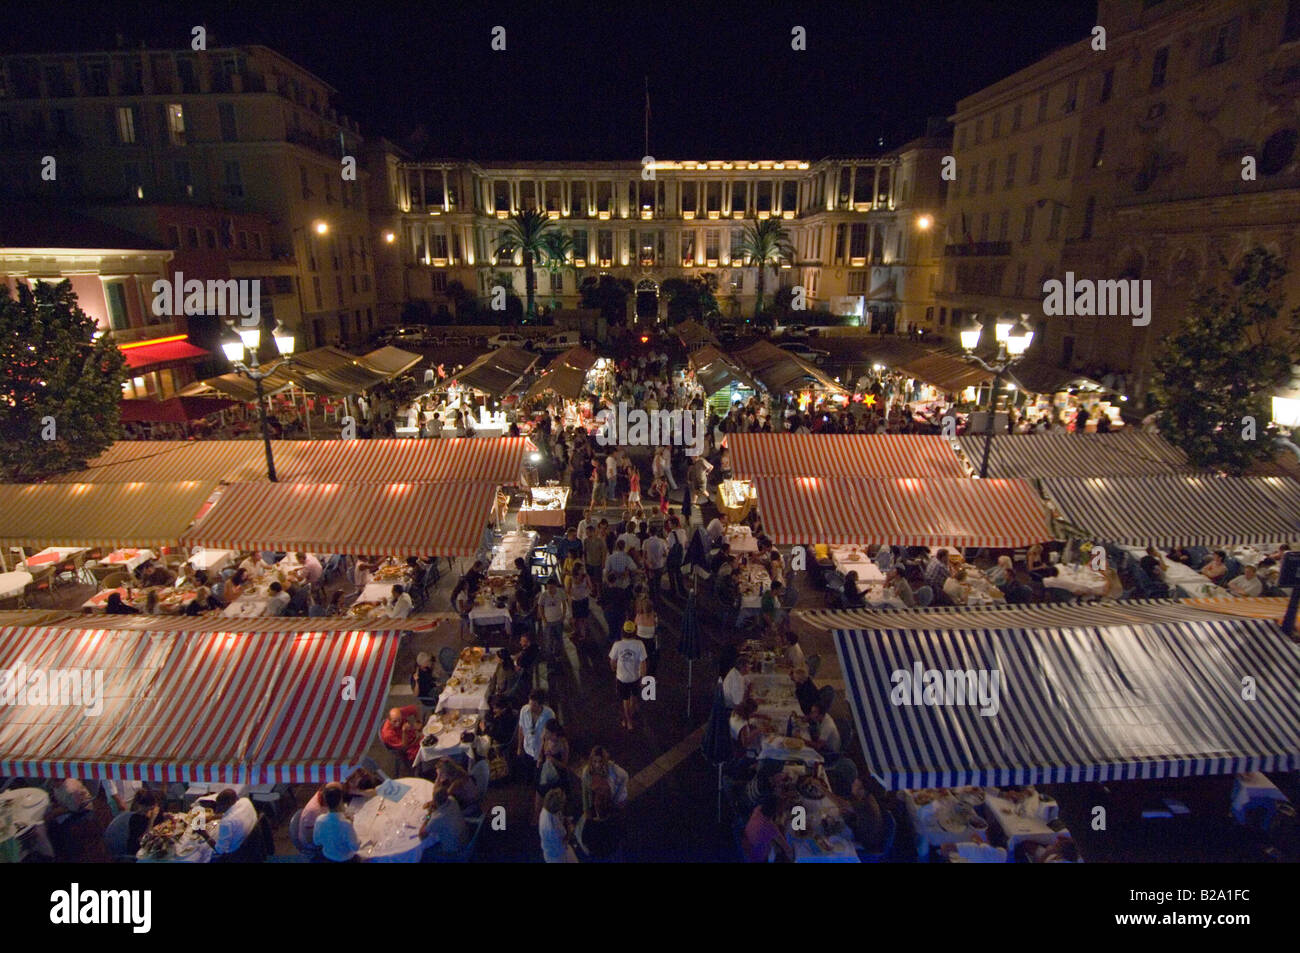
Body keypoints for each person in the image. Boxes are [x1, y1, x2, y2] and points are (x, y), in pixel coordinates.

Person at [610, 621, 649, 731]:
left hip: (622, 678)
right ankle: (630, 717)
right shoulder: (639, 644)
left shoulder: (617, 645)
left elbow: (612, 661)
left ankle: (628, 721)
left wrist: (614, 669)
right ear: (634, 632)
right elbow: (643, 663)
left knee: (625, 700)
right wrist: (643, 678)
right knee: (634, 698)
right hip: (635, 678)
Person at [196, 789, 258, 858]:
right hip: (251, 839)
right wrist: (212, 817)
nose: (218, 808)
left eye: (220, 805)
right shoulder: (245, 801)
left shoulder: (226, 822)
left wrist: (204, 834)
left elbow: (219, 850)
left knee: (201, 852)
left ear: (228, 802)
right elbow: (234, 814)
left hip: (235, 853)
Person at [312, 784, 361, 862]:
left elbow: (316, 842)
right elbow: (356, 847)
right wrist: (351, 825)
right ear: (340, 801)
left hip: (327, 857)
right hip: (346, 859)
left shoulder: (319, 820)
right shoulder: (346, 824)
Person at [418, 789, 469, 859]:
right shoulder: (452, 800)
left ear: (435, 801)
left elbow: (421, 835)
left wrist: (428, 815)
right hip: (464, 835)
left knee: (423, 851)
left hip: (453, 848)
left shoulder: (437, 818)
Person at [516, 689, 556, 775]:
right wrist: (519, 747)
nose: (530, 708)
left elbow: (549, 738)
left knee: (540, 774)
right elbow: (521, 729)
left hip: (541, 751)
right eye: (529, 704)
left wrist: (542, 755)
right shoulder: (524, 710)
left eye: (534, 705)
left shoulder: (549, 715)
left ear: (541, 705)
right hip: (528, 748)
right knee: (528, 772)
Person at [742, 795, 793, 863]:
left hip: (745, 849)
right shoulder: (770, 828)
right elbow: (787, 849)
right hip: (756, 859)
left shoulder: (757, 810)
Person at [580, 746, 630, 815]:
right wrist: (586, 809)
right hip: (601, 800)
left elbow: (625, 776)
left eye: (600, 761)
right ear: (591, 760)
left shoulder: (610, 767)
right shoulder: (587, 772)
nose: (597, 765)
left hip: (615, 801)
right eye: (594, 761)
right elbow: (585, 790)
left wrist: (616, 797)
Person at [539, 787, 578, 863]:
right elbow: (562, 845)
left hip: (559, 851)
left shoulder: (547, 810)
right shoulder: (551, 827)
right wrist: (570, 831)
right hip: (558, 857)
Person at [566, 564, 594, 658]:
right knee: (576, 618)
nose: (583, 571)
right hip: (575, 601)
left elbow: (591, 587)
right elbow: (568, 590)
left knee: (583, 618)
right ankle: (576, 631)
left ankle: (583, 634)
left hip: (583, 600)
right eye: (581, 569)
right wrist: (571, 597)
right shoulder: (571, 578)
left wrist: (586, 590)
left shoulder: (586, 577)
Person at [536, 579, 567, 661]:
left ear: (555, 587)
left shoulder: (560, 592)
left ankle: (558, 654)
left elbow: (564, 604)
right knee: (548, 639)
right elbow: (540, 607)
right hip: (548, 621)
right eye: (548, 587)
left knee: (558, 638)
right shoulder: (544, 595)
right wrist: (544, 619)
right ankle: (549, 656)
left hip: (558, 619)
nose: (550, 589)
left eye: (552, 587)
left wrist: (563, 615)